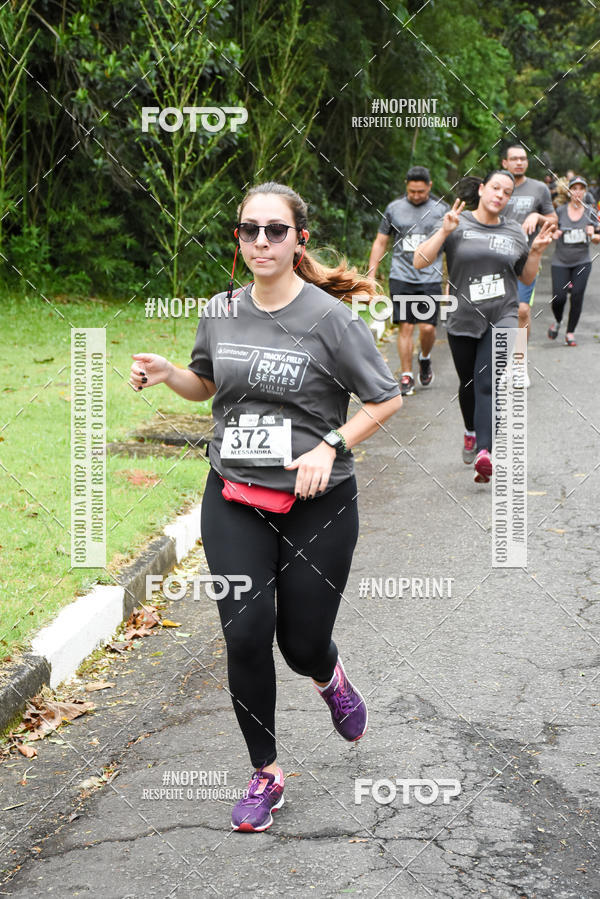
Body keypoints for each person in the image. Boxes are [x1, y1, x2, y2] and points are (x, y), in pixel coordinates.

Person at [129, 182, 403, 832]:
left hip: (318, 501)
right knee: (245, 634)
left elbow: (386, 398)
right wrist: (172, 374)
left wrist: (329, 445)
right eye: (249, 229)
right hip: (233, 494)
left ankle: (329, 674)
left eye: (275, 230)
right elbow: (209, 383)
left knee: (300, 643)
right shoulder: (221, 310)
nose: (260, 241)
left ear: (299, 239)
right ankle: (266, 772)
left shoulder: (332, 319)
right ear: (239, 238)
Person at [414, 171, 554, 482]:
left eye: (507, 192)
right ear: (482, 189)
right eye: (495, 188)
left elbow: (526, 278)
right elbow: (419, 261)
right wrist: (443, 232)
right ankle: (470, 431)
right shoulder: (457, 222)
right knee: (468, 383)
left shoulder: (515, 231)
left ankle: (485, 452)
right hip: (462, 316)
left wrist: (536, 252)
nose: (500, 195)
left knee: (488, 381)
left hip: (502, 314)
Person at [368, 165, 449, 396]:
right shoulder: (394, 209)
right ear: (406, 185)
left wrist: (449, 283)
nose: (416, 195)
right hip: (401, 276)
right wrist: (371, 275)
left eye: (421, 192)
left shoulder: (440, 209)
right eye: (412, 191)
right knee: (405, 326)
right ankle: (406, 375)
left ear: (430, 186)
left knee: (427, 328)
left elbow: (449, 247)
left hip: (430, 278)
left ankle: (424, 357)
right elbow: (380, 242)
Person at [501, 145, 558, 371]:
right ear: (504, 163)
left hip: (527, 258)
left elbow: (553, 221)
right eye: (514, 159)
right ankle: (500, 361)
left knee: (522, 310)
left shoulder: (539, 188)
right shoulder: (498, 188)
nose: (519, 162)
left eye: (523, 159)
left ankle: (519, 363)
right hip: (498, 259)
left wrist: (537, 215)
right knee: (499, 312)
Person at [548, 176, 600, 346]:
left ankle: (570, 332)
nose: (577, 192)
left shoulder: (590, 212)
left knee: (577, 296)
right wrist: (553, 234)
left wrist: (593, 235)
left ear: (585, 191)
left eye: (581, 188)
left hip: (582, 262)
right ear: (569, 191)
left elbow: (597, 238)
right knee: (559, 298)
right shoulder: (560, 211)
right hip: (560, 261)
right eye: (574, 188)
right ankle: (557, 322)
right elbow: (550, 230)